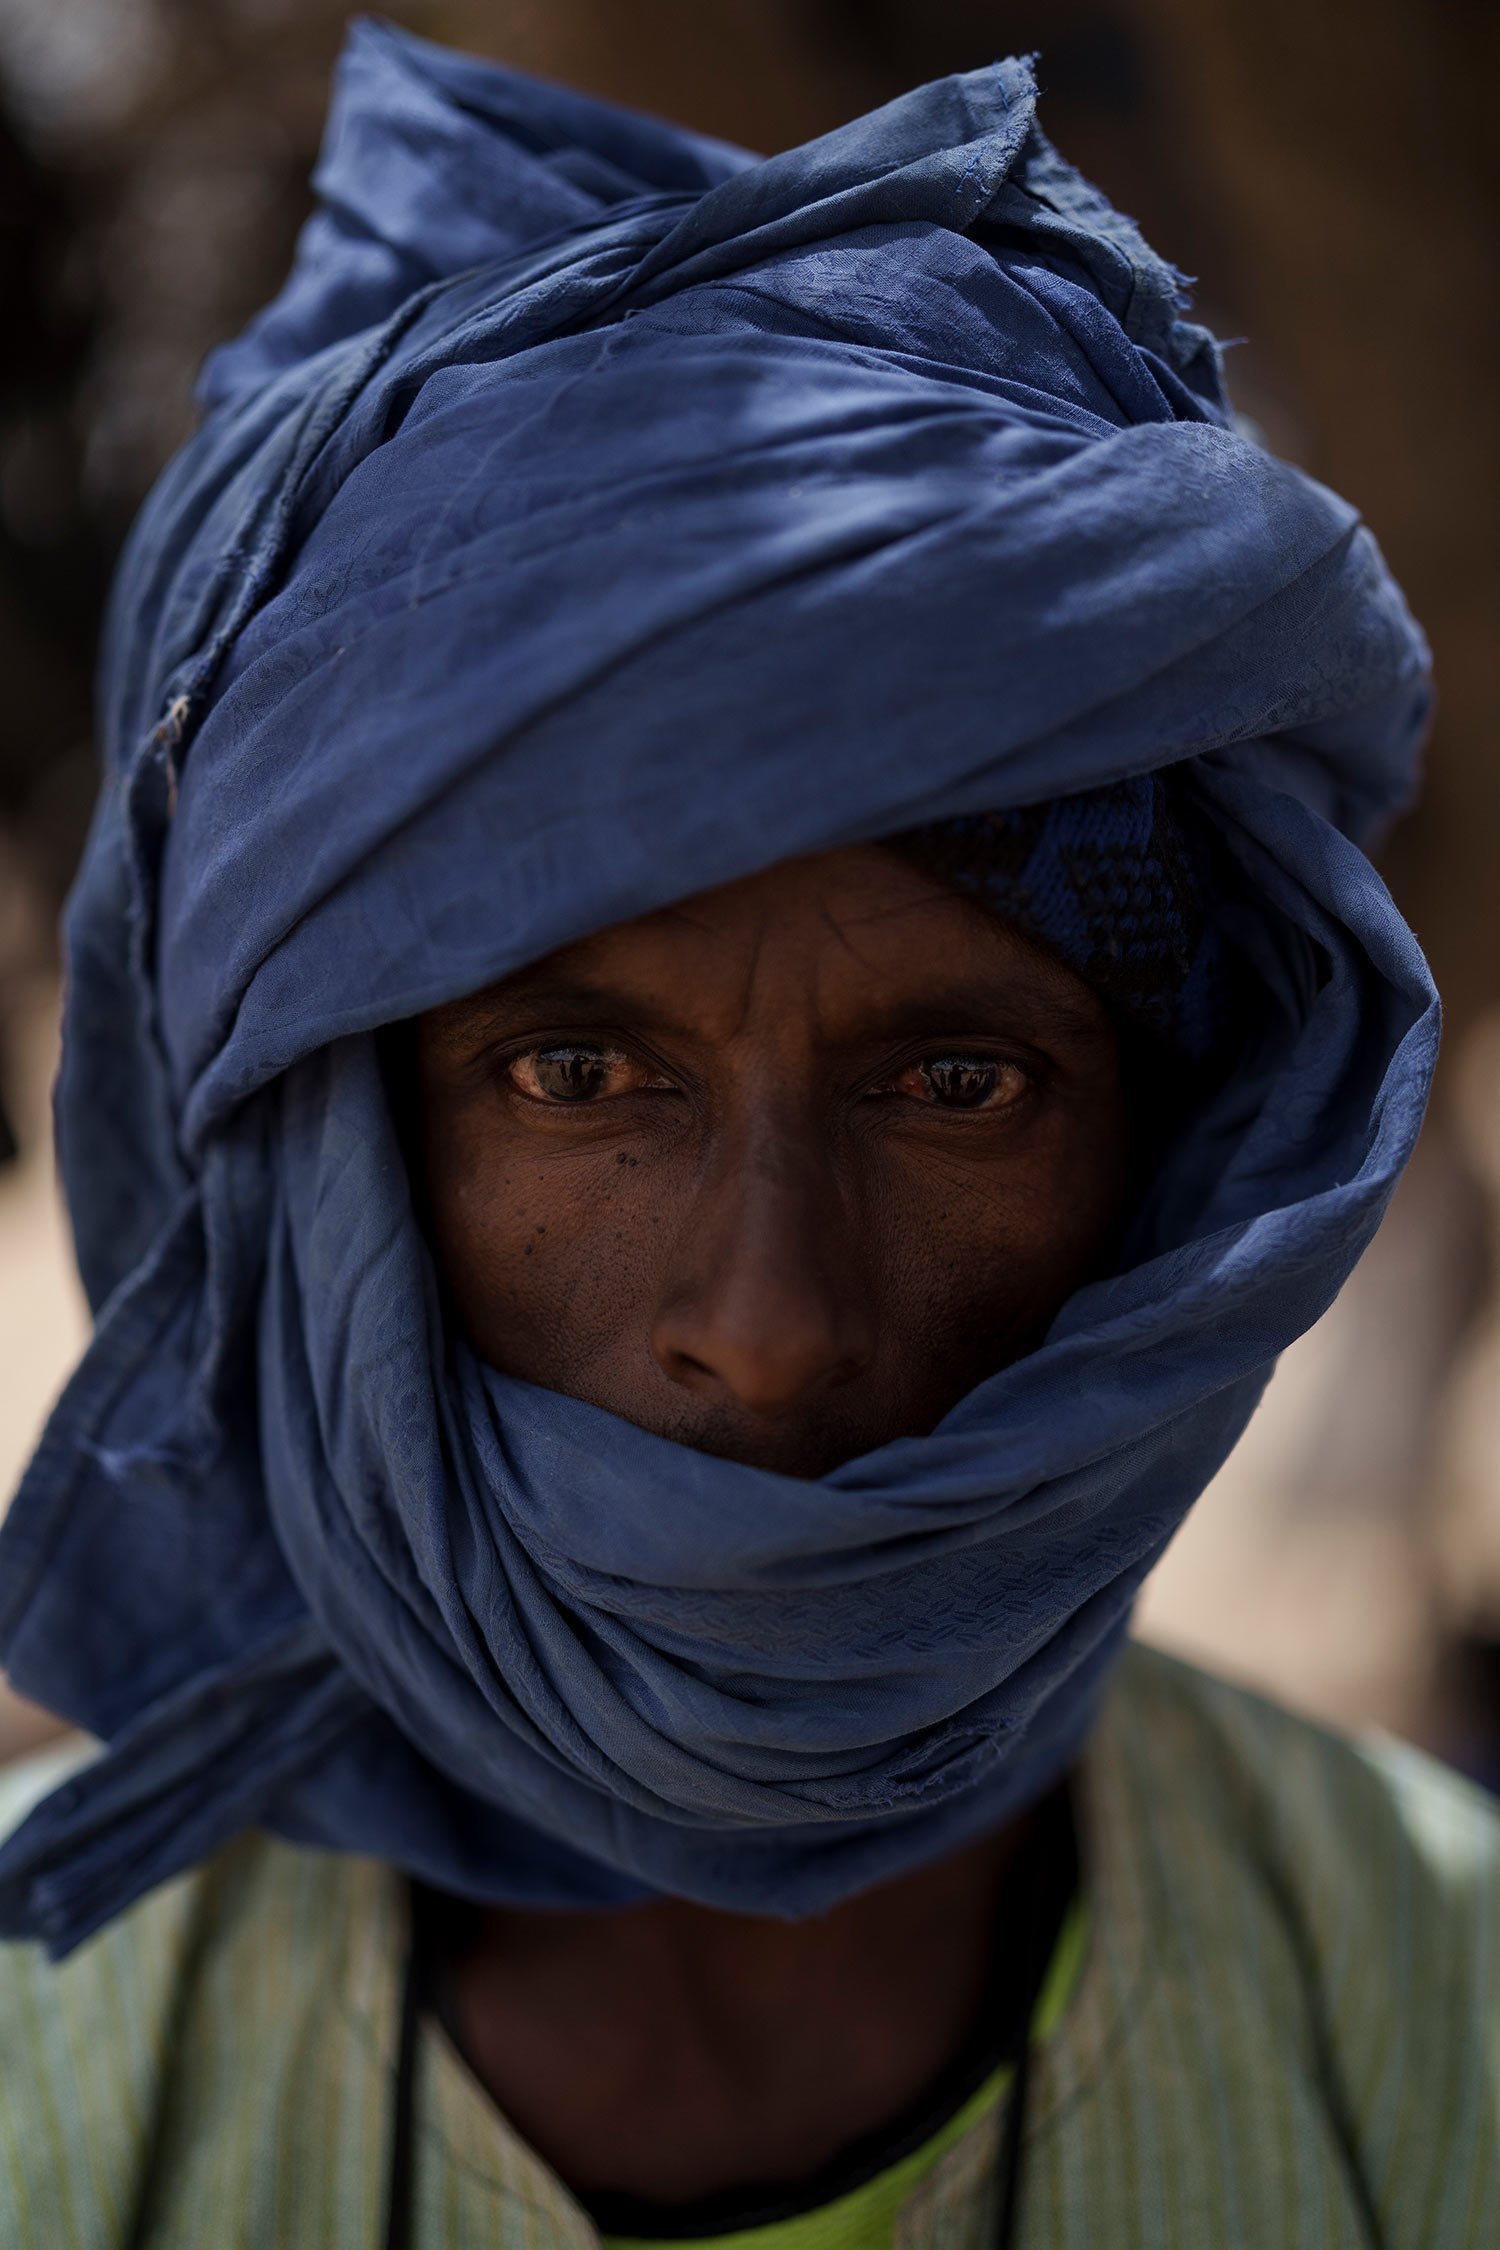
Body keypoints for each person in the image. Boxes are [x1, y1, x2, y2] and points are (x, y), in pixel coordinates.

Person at [0, 21, 1494, 2248]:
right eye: (578, 1078)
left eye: (958, 1085)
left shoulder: (1439, 2008)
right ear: (338, 1170)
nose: (770, 1328)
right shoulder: (55, 2089)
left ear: (1180, 1166)